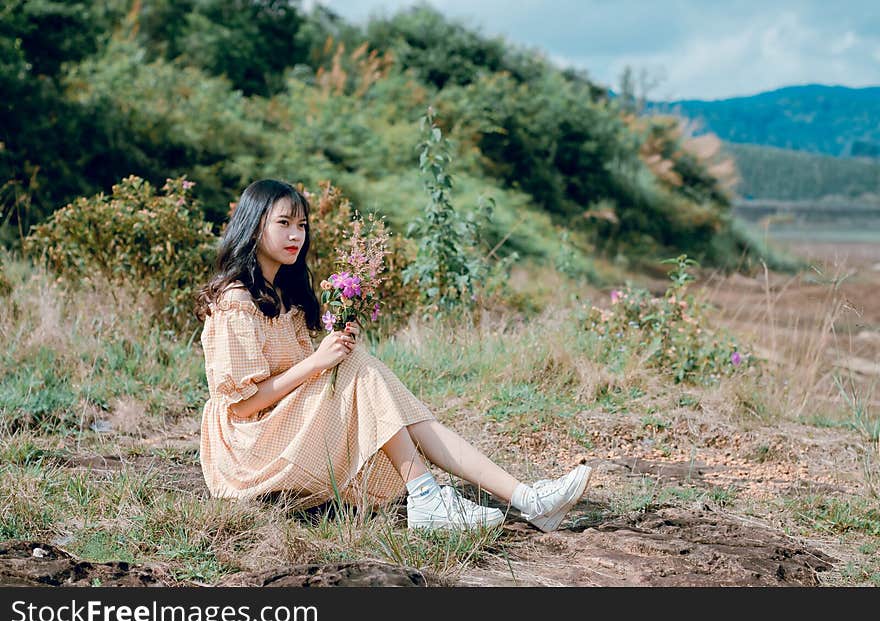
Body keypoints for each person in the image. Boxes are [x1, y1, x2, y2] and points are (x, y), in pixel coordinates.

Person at [194, 179, 593, 532]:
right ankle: (431, 498)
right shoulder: (236, 301)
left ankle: (526, 498)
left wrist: (330, 351)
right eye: (283, 223)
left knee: (390, 398)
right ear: (253, 225)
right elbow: (243, 405)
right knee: (357, 368)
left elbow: (299, 379)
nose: (296, 234)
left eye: (302, 225)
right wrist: (319, 362)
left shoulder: (286, 296)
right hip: (246, 447)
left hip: (282, 424)